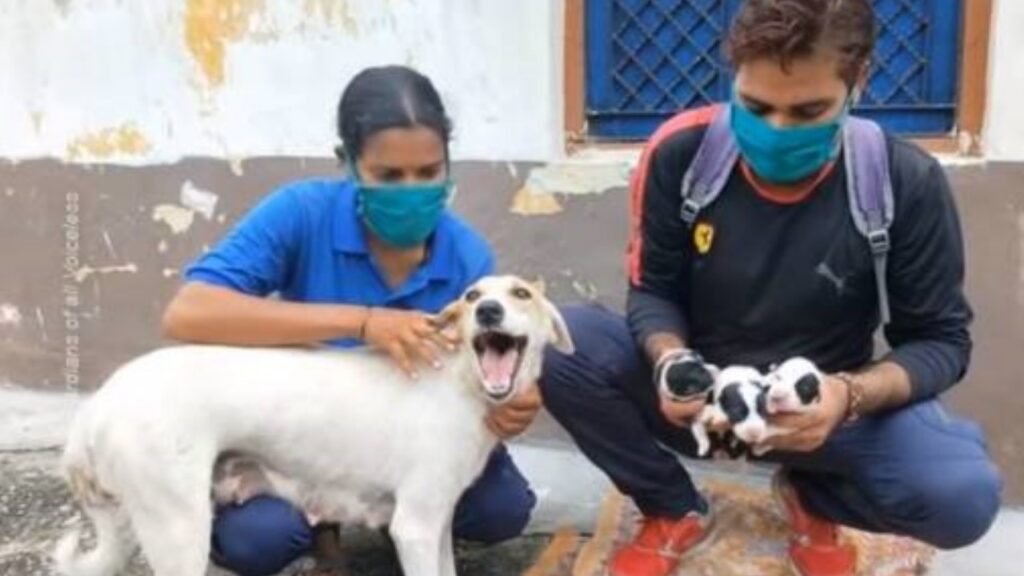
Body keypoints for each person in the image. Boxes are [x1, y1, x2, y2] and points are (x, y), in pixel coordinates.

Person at [537, 1, 1003, 575]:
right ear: (733, 78)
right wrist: (670, 360)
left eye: (809, 110)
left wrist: (845, 398)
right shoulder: (683, 155)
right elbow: (653, 290)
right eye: (755, 107)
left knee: (961, 497)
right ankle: (670, 507)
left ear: (858, 83)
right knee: (557, 345)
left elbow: (940, 342)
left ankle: (810, 498)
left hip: (822, 414)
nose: (777, 131)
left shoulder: (902, 181)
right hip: (700, 404)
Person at [161, 65, 541, 576]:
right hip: (303, 430)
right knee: (259, 541)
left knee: (501, 506)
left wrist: (514, 396)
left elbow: (480, 367)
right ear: (348, 164)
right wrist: (363, 322)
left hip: (404, 440)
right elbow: (189, 312)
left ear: (448, 165)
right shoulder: (300, 213)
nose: (411, 189)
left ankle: (403, 524)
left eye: (428, 173)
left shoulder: (466, 257)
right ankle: (321, 530)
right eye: (388, 176)